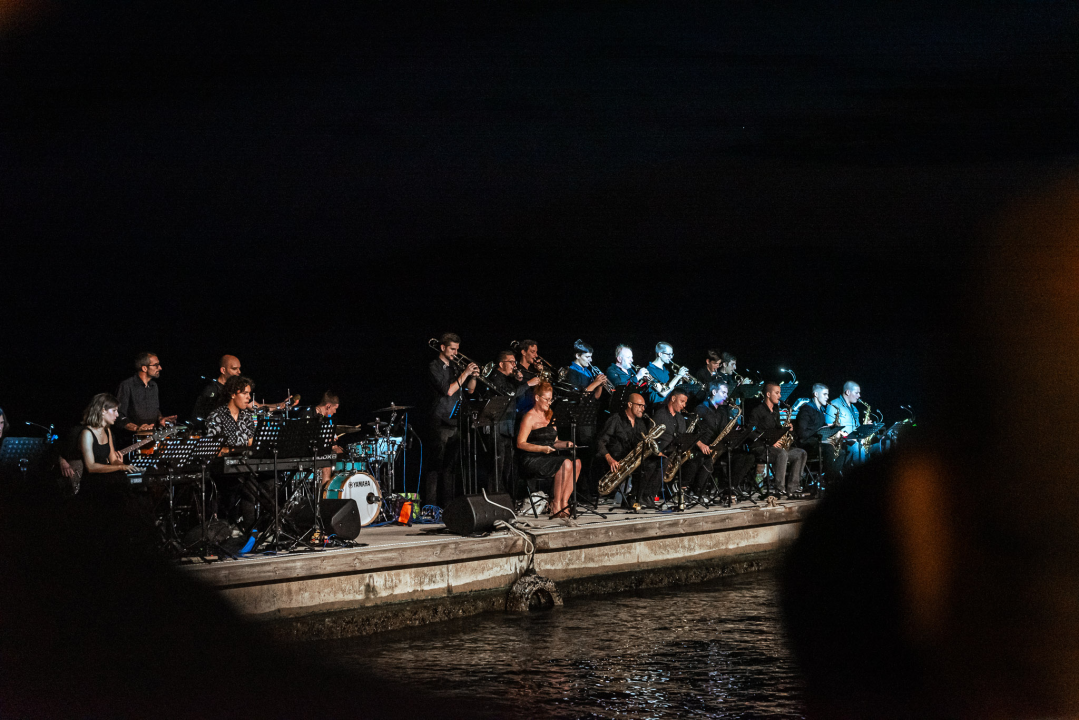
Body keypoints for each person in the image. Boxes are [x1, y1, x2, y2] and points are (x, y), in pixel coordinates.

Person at [204, 375, 269, 532]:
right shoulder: (216, 416)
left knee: (271, 481)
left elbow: (252, 443)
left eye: (249, 393)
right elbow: (214, 450)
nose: (248, 397)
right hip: (221, 469)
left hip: (245, 464)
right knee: (248, 483)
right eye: (245, 393)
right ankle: (249, 529)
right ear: (233, 394)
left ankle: (263, 528)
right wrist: (232, 450)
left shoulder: (247, 416)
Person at [424, 332, 478, 507]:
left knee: (450, 469)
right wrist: (465, 372)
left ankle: (449, 506)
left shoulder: (456, 367)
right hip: (439, 421)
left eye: (457, 349)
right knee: (435, 467)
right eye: (452, 349)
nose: (456, 353)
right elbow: (448, 390)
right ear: (442, 347)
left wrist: (473, 376)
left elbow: (469, 390)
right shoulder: (434, 366)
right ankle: (431, 506)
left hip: (456, 421)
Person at [516, 381, 579, 518]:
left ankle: (564, 502)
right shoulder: (529, 417)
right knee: (566, 463)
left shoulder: (551, 416)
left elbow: (554, 442)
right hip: (532, 458)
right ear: (537, 398)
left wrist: (566, 444)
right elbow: (520, 443)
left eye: (551, 399)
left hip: (547, 456)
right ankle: (555, 503)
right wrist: (541, 449)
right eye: (546, 399)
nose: (549, 402)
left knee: (576, 462)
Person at [684, 382, 755, 498]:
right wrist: (701, 444)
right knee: (706, 460)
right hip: (704, 448)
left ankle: (731, 487)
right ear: (714, 392)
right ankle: (697, 491)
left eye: (726, 393)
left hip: (720, 448)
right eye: (723, 393)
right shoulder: (701, 409)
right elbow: (689, 431)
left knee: (748, 457)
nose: (726, 396)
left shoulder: (723, 411)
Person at [641, 388, 705, 508]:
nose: (684, 405)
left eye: (685, 402)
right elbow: (652, 437)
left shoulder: (681, 419)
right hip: (660, 453)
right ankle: (647, 495)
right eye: (682, 401)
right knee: (662, 462)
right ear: (673, 399)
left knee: (697, 460)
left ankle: (682, 490)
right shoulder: (660, 415)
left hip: (675, 453)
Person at [191, 355, 296, 428]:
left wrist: (281, 405)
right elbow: (200, 417)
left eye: (239, 369)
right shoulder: (211, 390)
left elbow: (256, 407)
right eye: (234, 369)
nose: (239, 372)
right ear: (223, 370)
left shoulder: (236, 389)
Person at [747, 382, 808, 498]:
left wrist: (786, 429)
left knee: (801, 453)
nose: (780, 396)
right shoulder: (757, 411)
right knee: (782, 453)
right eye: (777, 393)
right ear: (768, 394)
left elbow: (777, 429)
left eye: (779, 393)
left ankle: (793, 488)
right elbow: (751, 432)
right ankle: (779, 489)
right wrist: (770, 441)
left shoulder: (775, 410)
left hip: (775, 448)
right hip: (761, 447)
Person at [75, 393, 138, 504]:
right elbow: (91, 466)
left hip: (106, 480)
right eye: (114, 411)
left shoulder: (107, 431)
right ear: (103, 410)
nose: (117, 415)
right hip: (93, 484)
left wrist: (127, 467)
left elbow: (113, 459)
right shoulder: (87, 433)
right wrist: (120, 467)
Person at [485, 350, 529, 494]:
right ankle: (494, 497)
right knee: (496, 467)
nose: (514, 365)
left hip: (508, 427)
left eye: (515, 362)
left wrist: (520, 381)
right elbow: (508, 395)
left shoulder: (509, 380)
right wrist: (527, 384)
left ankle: (506, 497)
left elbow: (520, 401)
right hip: (497, 427)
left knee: (507, 468)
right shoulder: (496, 377)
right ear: (501, 364)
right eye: (511, 362)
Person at [794, 383, 846, 482]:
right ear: (816, 394)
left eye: (828, 394)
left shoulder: (821, 410)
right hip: (806, 445)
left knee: (843, 449)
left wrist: (833, 429)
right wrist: (820, 432)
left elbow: (822, 427)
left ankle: (831, 476)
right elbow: (801, 434)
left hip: (817, 443)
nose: (827, 397)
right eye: (825, 394)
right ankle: (830, 480)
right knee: (829, 448)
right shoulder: (806, 410)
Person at [826, 381, 874, 466]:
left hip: (855, 440)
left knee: (879, 445)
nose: (859, 396)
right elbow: (830, 427)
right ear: (848, 392)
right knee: (858, 448)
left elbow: (857, 428)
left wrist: (866, 427)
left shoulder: (854, 409)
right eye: (857, 393)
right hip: (842, 442)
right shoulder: (834, 404)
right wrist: (845, 435)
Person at [116, 351, 166, 434]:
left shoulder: (154, 386)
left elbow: (155, 410)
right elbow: (119, 415)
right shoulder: (127, 385)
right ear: (144, 368)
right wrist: (138, 428)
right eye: (156, 365)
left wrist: (161, 419)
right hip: (133, 439)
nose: (160, 368)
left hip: (152, 437)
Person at [315, 391, 344, 486]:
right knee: (326, 466)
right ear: (328, 406)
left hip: (321, 451)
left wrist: (334, 446)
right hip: (309, 451)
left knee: (341, 455)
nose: (335, 412)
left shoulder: (327, 420)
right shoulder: (309, 415)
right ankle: (323, 498)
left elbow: (329, 438)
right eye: (335, 408)